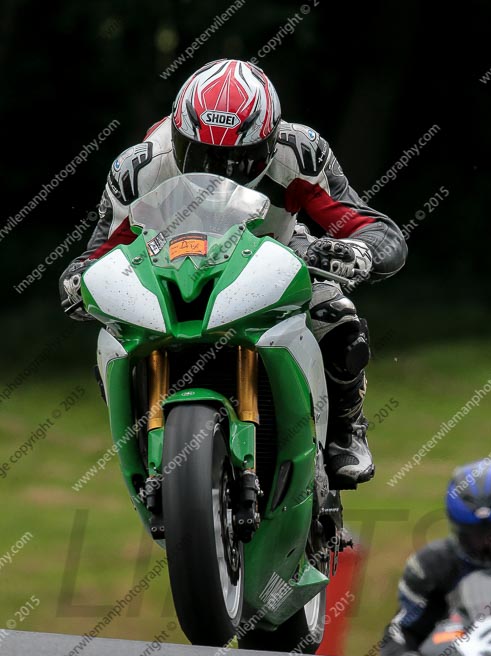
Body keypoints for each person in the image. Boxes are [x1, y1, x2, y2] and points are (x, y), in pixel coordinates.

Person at [59, 59, 407, 488]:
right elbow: (98, 251)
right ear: (177, 134)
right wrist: (79, 280)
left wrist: (359, 250)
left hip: (276, 256)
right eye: (201, 154)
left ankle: (346, 428)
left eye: (237, 160)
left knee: (336, 313)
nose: (217, 172)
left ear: (269, 141)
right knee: (112, 338)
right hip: (169, 266)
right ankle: (140, 435)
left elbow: (373, 226)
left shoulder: (299, 152)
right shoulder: (140, 167)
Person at [380, 459, 491, 656]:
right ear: (458, 531)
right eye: (476, 537)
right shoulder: (432, 566)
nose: (488, 546)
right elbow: (401, 631)